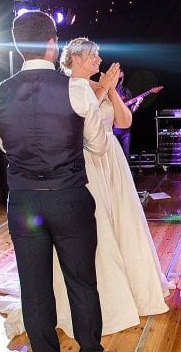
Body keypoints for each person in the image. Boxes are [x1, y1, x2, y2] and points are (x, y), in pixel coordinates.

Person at [0, 13, 108, 352]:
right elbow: (100, 145)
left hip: (24, 201)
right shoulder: (76, 88)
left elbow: (6, 146)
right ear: (53, 43)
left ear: (17, 45)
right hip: (70, 195)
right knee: (81, 282)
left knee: (35, 288)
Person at [59, 38, 172, 329]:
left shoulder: (101, 86)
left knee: (122, 220)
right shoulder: (64, 88)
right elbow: (75, 121)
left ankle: (133, 285)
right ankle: (105, 294)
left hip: (112, 159)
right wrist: (100, 91)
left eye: (98, 55)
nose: (98, 60)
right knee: (98, 224)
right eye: (92, 56)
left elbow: (123, 122)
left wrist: (109, 89)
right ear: (74, 58)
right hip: (85, 161)